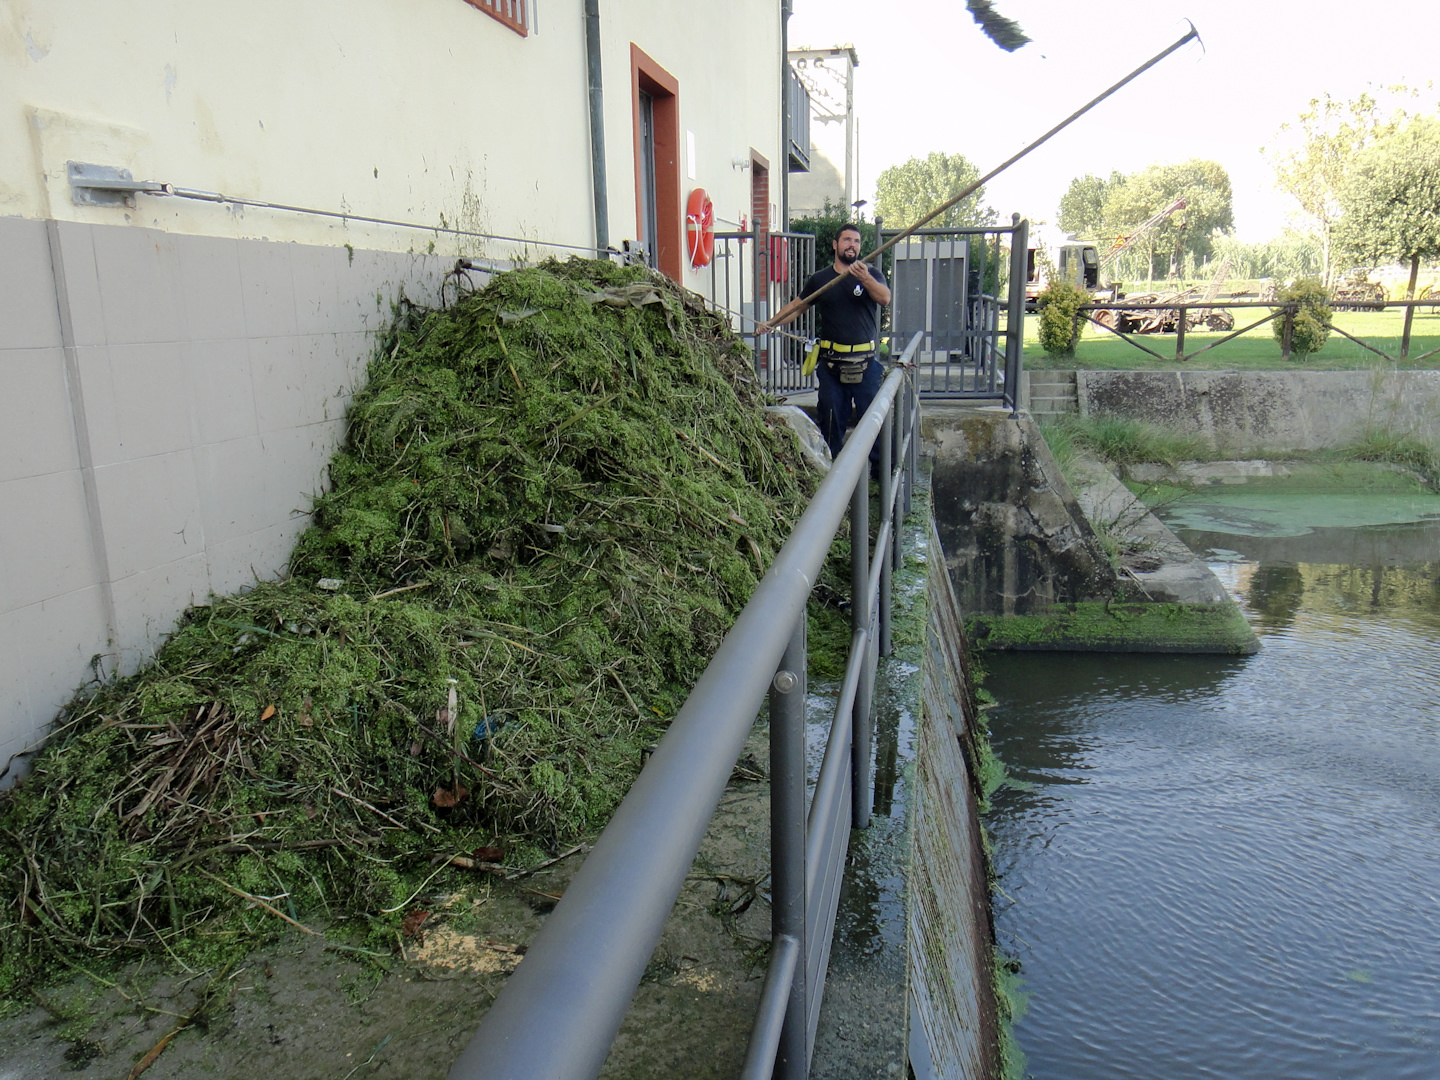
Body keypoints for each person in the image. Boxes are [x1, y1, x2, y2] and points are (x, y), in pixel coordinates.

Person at [759, 224, 892, 461]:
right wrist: (771, 323)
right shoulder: (821, 279)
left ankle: (879, 477)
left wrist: (865, 279)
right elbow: (797, 307)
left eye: (857, 241)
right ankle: (830, 473)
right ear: (835, 244)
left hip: (866, 364)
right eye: (847, 240)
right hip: (831, 367)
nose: (852, 245)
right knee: (830, 421)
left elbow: (884, 298)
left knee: (874, 423)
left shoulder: (870, 273)